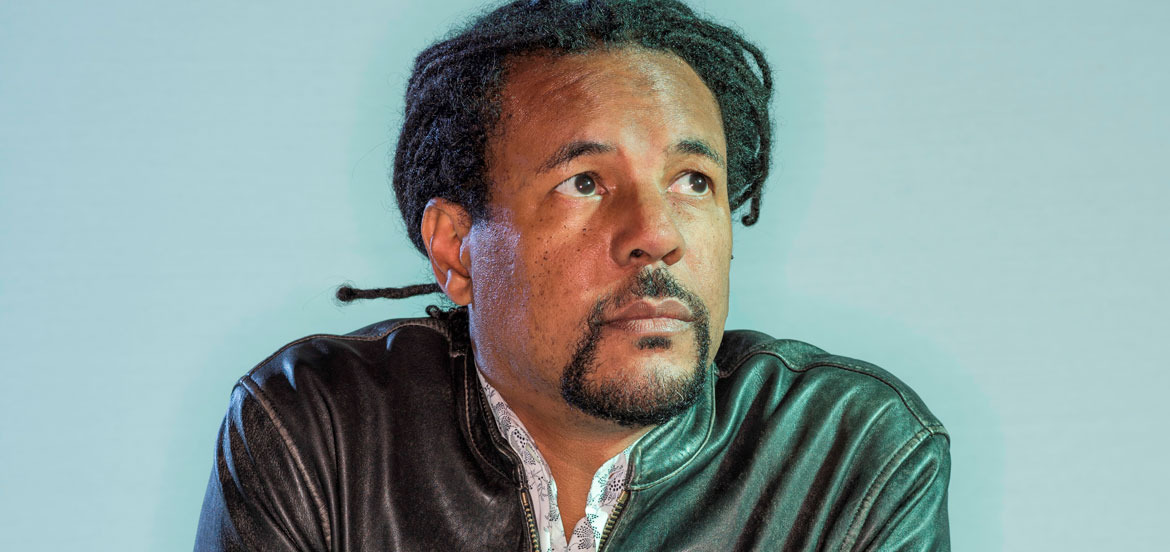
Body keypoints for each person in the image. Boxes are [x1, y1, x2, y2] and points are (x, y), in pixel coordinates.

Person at [194, 0, 951, 550]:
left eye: (693, 182)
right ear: (456, 249)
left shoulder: (847, 451)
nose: (658, 235)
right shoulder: (321, 431)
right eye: (585, 183)